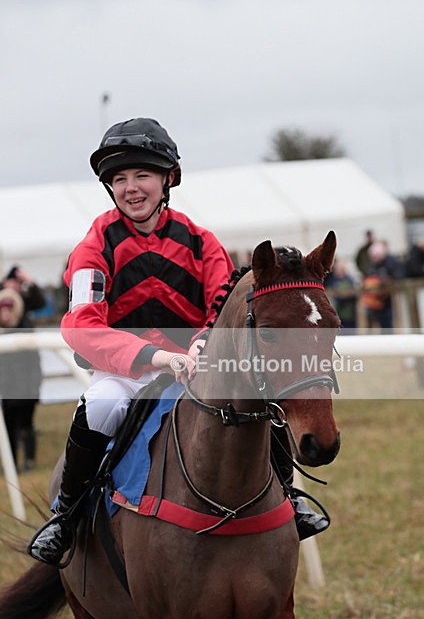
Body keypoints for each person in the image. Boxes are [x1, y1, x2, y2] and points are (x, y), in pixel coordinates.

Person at [28, 117, 326, 567]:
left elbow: (223, 306)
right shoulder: (93, 248)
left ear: (168, 179)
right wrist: (156, 356)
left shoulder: (202, 242)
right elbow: (82, 326)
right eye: (119, 178)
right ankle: (65, 516)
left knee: (259, 397)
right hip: (126, 372)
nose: (131, 188)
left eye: (142, 175)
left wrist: (203, 344)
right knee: (102, 406)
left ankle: (286, 497)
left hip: (197, 365)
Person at [0, 287, 42, 471]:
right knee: (8, 428)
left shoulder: (25, 328)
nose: (5, 314)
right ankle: (11, 463)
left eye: (9, 309)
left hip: (25, 388)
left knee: (26, 426)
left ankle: (29, 460)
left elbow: (34, 360)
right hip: (7, 389)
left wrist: (34, 386)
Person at [360, 241, 401, 330]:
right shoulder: (373, 266)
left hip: (386, 302)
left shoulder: (391, 262)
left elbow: (397, 278)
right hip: (373, 303)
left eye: (375, 256)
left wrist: (387, 281)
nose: (373, 259)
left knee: (387, 327)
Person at [325, 259, 358, 332]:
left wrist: (340, 294)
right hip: (336, 315)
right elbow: (328, 292)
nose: (340, 270)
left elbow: (354, 292)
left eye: (342, 268)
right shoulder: (332, 280)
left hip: (348, 315)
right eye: (338, 268)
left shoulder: (350, 280)